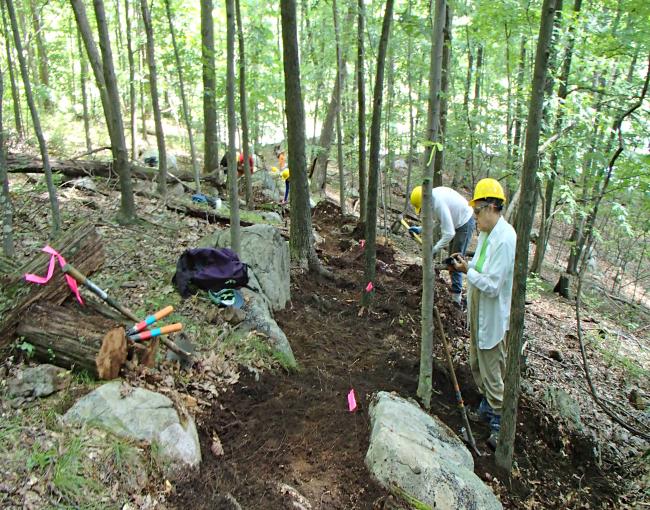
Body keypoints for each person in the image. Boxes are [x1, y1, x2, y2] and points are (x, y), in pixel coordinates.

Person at [450, 178, 516, 449]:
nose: (474, 217)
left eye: (477, 212)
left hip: (492, 312)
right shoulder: (488, 234)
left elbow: (493, 284)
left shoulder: (505, 238)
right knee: (476, 360)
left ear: (491, 207)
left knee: (491, 367)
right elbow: (479, 267)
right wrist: (466, 264)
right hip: (477, 309)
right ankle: (487, 406)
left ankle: (499, 422)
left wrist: (468, 272)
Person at [409, 185, 475, 305]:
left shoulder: (438, 202)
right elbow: (438, 220)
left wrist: (434, 250)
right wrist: (420, 229)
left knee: (455, 260)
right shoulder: (432, 198)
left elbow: (449, 233)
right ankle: (455, 294)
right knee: (452, 260)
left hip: (464, 222)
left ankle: (456, 299)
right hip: (456, 223)